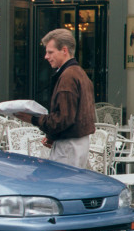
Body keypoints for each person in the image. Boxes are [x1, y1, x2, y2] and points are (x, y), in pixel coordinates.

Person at [15, 28, 95, 168]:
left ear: (64, 51)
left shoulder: (68, 77)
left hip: (69, 146)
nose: (46, 56)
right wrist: (53, 136)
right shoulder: (79, 73)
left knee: (62, 187)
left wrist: (33, 119)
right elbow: (73, 117)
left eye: (50, 52)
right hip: (77, 142)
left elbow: (62, 119)